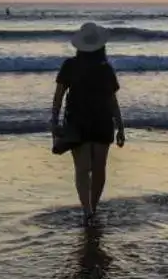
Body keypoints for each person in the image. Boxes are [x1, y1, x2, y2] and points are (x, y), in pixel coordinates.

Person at [51, 22, 124, 220]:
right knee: (99, 168)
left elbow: (58, 96)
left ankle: (87, 210)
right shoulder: (105, 68)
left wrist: (53, 120)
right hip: (102, 121)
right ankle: (94, 206)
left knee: (82, 169)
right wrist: (120, 126)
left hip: (77, 121)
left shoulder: (70, 65)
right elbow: (112, 100)